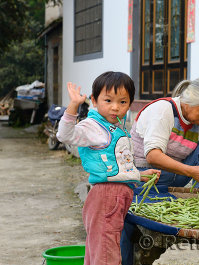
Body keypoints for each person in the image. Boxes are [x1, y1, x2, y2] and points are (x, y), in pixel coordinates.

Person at [121, 77, 199, 264]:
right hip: (145, 176)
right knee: (133, 214)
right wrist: (190, 171)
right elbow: (153, 156)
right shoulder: (162, 111)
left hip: (175, 176)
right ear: (188, 102)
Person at [56, 71, 160, 265]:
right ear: (94, 101)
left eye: (123, 102)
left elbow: (119, 164)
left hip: (115, 196)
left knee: (101, 248)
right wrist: (73, 106)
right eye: (108, 100)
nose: (115, 107)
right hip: (107, 197)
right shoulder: (93, 127)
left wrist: (139, 174)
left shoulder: (116, 126)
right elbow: (64, 135)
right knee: (106, 253)